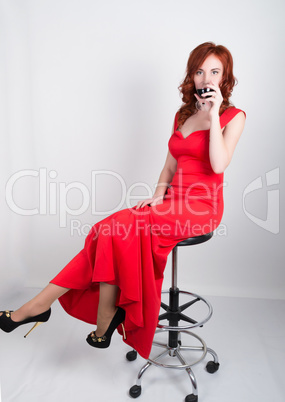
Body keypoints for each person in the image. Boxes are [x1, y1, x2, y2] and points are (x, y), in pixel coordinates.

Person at [0, 42, 246, 359]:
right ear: (192, 75)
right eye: (200, 71)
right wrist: (158, 195)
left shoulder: (233, 116)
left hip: (202, 208)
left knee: (116, 229)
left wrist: (213, 114)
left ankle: (49, 309)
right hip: (171, 202)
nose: (206, 78)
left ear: (225, 77)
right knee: (108, 229)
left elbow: (219, 164)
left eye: (214, 71)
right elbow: (170, 164)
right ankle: (81, 316)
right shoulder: (182, 115)